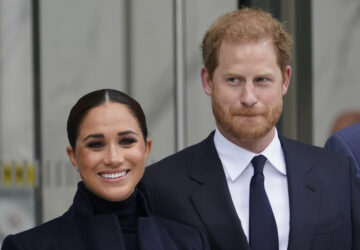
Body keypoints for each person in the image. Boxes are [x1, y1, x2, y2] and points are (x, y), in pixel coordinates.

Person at [143, 8, 360, 250]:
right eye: (233, 80)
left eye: (262, 80)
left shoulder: (336, 173)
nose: (249, 98)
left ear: (285, 80)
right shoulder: (160, 187)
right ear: (207, 81)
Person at [1, 89, 210, 250]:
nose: (114, 158)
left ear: (146, 149)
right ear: (73, 156)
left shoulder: (188, 243)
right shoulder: (29, 247)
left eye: (127, 141)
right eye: (96, 144)